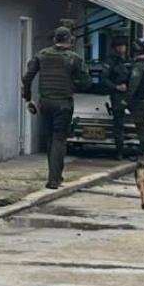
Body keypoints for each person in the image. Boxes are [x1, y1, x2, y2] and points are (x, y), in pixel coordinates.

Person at [22, 26, 89, 189]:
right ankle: (54, 178)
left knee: (50, 139)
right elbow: (86, 82)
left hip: (45, 102)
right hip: (63, 103)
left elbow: (27, 77)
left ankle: (55, 175)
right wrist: (73, 84)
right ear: (69, 40)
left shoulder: (42, 55)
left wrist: (28, 98)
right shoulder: (74, 58)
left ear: (54, 40)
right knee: (59, 139)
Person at [105, 36, 132, 161]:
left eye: (123, 46)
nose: (122, 48)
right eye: (119, 46)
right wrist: (116, 87)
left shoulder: (130, 60)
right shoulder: (110, 62)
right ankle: (119, 150)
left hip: (131, 95)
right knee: (118, 125)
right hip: (117, 95)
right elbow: (104, 79)